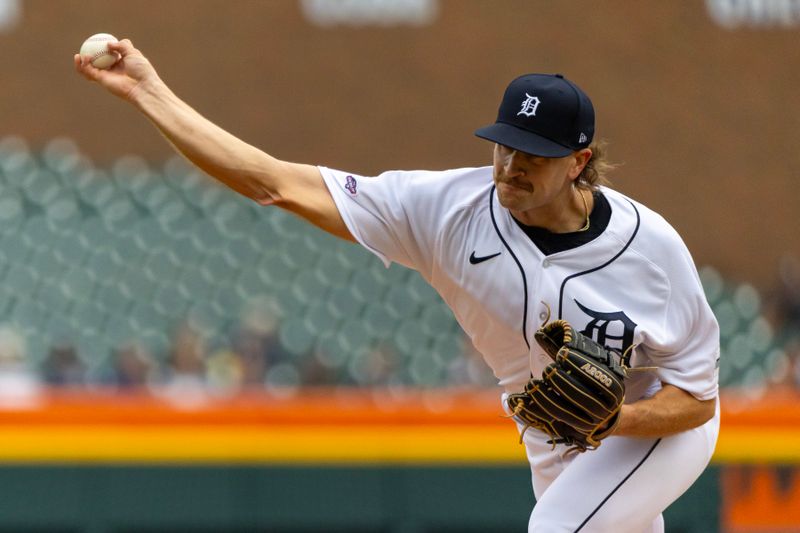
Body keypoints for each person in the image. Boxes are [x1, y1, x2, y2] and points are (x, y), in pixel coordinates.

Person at [75, 40, 720, 532]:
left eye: (534, 154)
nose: (511, 166)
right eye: (505, 146)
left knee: (555, 529)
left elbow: (698, 401)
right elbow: (274, 181)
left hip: (659, 426)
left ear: (580, 161)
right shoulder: (444, 209)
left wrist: (618, 419)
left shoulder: (652, 249)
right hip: (552, 437)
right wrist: (148, 92)